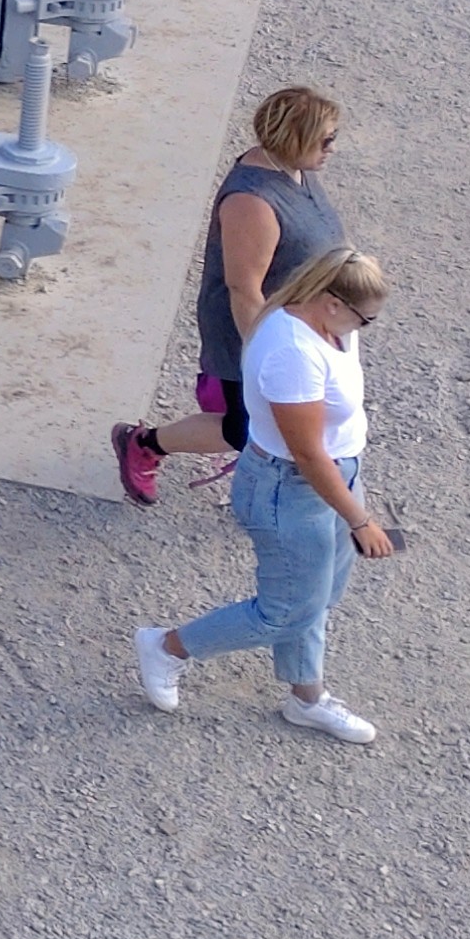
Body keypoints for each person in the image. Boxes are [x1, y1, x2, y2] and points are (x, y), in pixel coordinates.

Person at [132, 248, 394, 741]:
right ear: (332, 302)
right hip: (290, 489)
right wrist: (360, 520)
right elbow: (307, 454)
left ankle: (306, 698)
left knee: (316, 596)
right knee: (286, 611)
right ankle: (166, 648)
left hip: (333, 476)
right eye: (366, 319)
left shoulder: (330, 325)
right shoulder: (293, 354)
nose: (365, 328)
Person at [113, 84, 345, 504]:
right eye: (325, 140)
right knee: (244, 426)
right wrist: (268, 359)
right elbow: (244, 290)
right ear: (294, 138)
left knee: (276, 420)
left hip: (297, 323)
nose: (332, 148)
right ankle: (143, 443)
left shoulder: (295, 169)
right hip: (254, 330)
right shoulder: (251, 202)